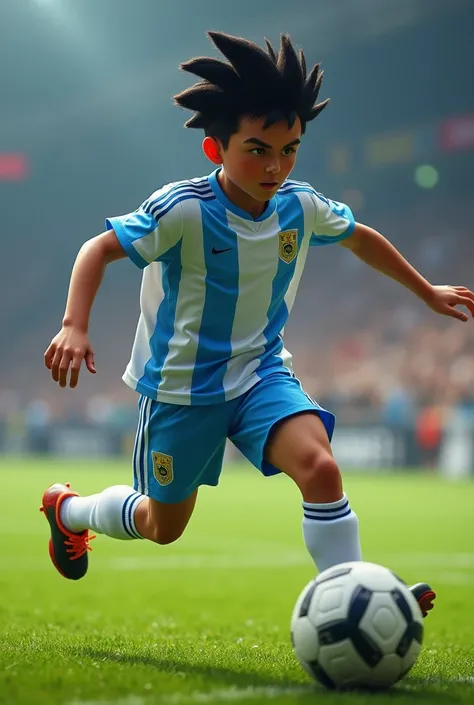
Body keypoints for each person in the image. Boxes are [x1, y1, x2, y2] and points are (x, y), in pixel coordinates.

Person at [42, 31, 473, 616]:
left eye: (290, 148)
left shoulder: (301, 205)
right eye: (258, 149)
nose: (276, 166)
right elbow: (97, 249)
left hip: (259, 374)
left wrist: (426, 292)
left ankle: (355, 594)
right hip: (180, 390)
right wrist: (74, 323)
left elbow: (360, 238)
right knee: (163, 525)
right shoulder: (183, 210)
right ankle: (68, 511)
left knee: (321, 467)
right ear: (216, 150)